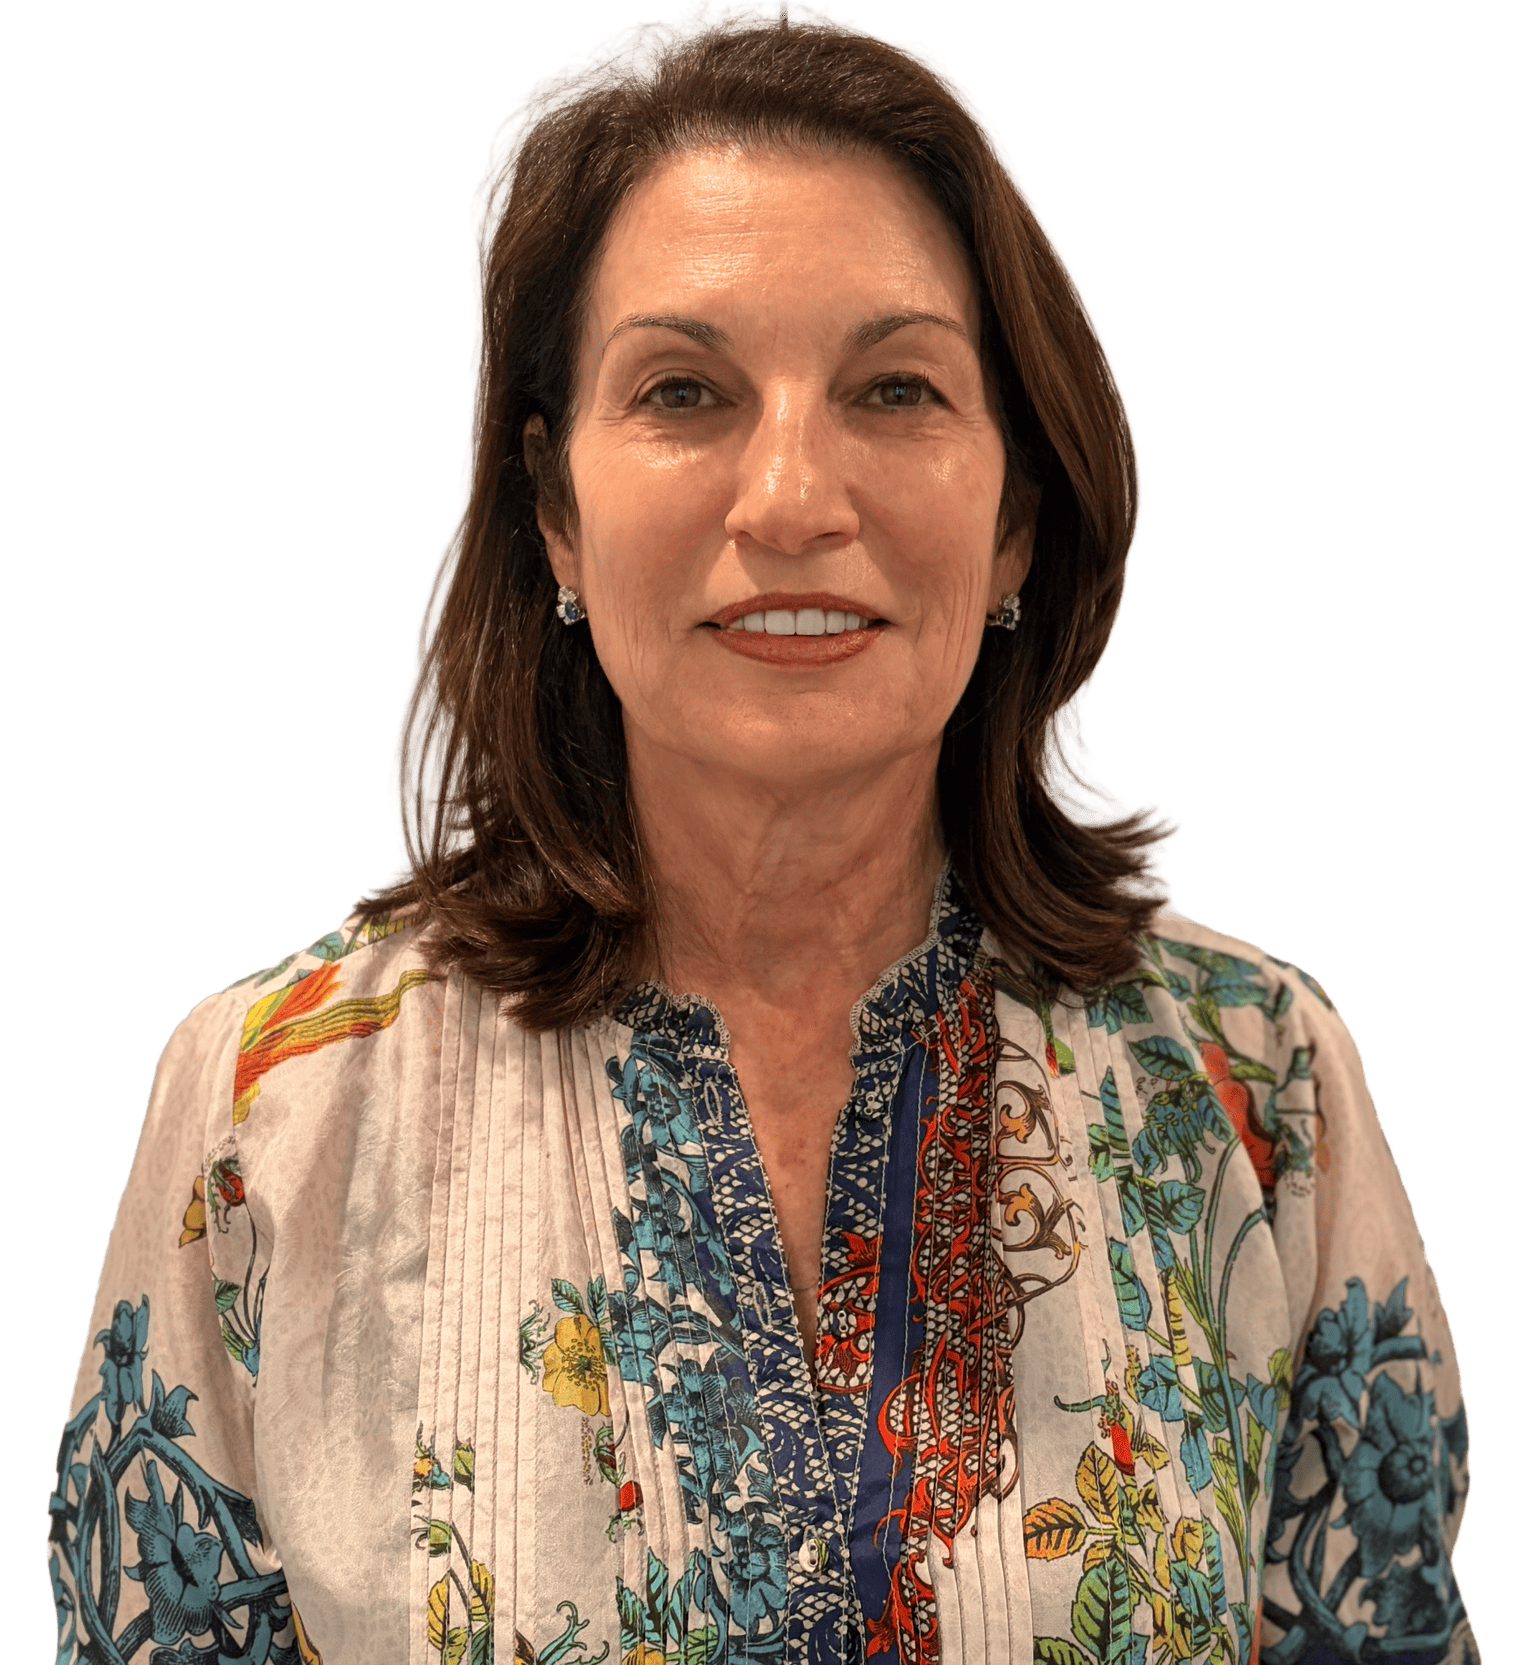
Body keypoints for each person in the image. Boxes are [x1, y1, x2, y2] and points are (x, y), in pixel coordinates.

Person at [47, 5, 1480, 1663]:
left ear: (1016, 513)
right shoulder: (275, 1105)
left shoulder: (1258, 1086)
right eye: (683, 389)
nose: (793, 497)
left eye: (893, 387)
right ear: (555, 513)